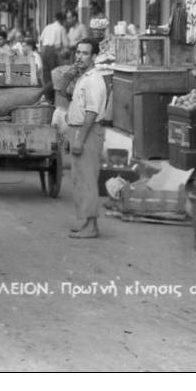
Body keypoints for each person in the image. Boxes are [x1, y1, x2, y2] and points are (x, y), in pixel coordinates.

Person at [66, 39, 112, 240]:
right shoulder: (83, 77)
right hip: (79, 130)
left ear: (94, 57)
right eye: (78, 52)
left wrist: (79, 140)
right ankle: (86, 221)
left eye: (85, 53)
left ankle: (92, 226)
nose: (79, 56)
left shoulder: (94, 79)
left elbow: (92, 112)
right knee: (80, 179)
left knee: (87, 180)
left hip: (88, 132)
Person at [39, 12, 68, 93]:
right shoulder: (61, 28)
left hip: (44, 50)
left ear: (54, 19)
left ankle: (46, 94)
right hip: (53, 51)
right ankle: (54, 94)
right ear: (62, 20)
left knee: (46, 74)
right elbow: (66, 44)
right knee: (54, 73)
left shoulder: (47, 27)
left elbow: (41, 40)